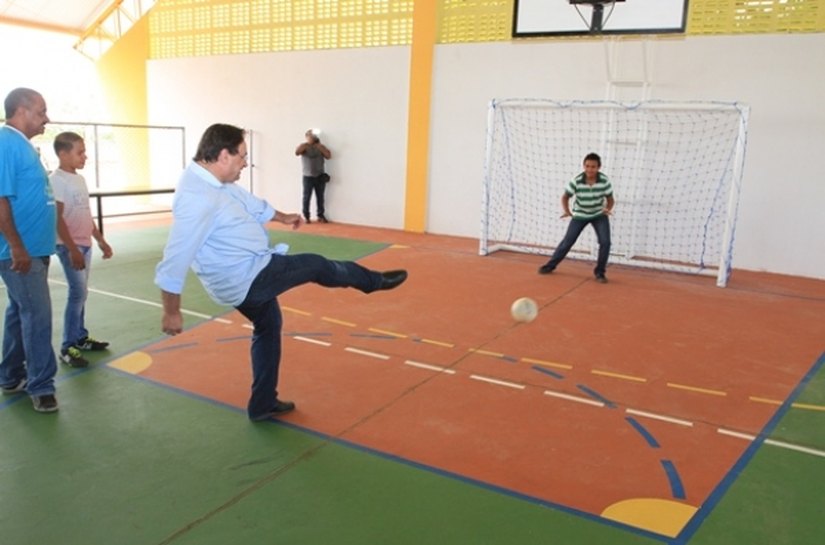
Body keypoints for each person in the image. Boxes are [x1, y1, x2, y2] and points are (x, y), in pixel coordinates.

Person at [155, 123, 407, 422]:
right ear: (224, 155)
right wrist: (171, 311)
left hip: (241, 276)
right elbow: (174, 261)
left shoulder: (216, 182)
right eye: (242, 156)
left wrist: (283, 217)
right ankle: (373, 282)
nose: (245, 163)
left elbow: (250, 203)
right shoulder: (197, 197)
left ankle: (262, 403)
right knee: (315, 264)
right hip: (248, 276)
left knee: (268, 327)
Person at [0, 88, 59, 413]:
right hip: (20, 253)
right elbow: (0, 199)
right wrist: (16, 246)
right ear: (21, 111)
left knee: (19, 312)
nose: (46, 118)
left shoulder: (23, 146)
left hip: (33, 249)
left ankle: (9, 374)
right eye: (41, 111)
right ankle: (42, 385)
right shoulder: (6, 143)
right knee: (37, 315)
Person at [51, 131, 114, 368]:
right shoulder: (57, 180)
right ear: (63, 153)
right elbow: (57, 218)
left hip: (84, 245)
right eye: (80, 152)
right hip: (70, 247)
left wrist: (99, 239)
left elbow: (86, 214)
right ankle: (67, 347)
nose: (84, 157)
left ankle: (80, 337)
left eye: (84, 152)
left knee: (82, 293)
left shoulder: (79, 179)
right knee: (77, 293)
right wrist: (71, 249)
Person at [538, 152, 615, 283]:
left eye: (593, 167)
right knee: (568, 241)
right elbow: (565, 196)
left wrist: (608, 209)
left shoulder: (604, 181)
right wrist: (567, 211)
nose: (590, 169)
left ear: (599, 167)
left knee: (605, 242)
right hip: (580, 214)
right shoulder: (576, 180)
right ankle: (550, 266)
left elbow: (610, 198)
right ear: (583, 166)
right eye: (587, 166)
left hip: (598, 214)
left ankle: (600, 273)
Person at [295, 129, 331, 224]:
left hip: (319, 176)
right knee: (306, 197)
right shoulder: (304, 146)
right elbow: (297, 152)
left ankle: (320, 215)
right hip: (307, 176)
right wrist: (306, 144)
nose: (311, 137)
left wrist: (319, 146)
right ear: (306, 137)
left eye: (313, 135)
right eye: (309, 135)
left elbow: (328, 156)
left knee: (320, 197)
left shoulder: (320, 146)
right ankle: (306, 216)